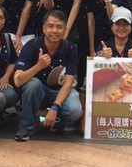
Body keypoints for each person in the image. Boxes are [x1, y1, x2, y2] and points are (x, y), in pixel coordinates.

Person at [13, 9, 82, 141]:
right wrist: (38, 66)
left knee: (75, 109)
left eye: (59, 27)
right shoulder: (32, 45)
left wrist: (55, 106)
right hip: (38, 92)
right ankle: (25, 126)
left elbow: (68, 82)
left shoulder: (70, 48)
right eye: (50, 26)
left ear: (65, 30)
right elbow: (17, 81)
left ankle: (56, 123)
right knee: (33, 84)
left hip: (59, 93)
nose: (54, 31)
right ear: (44, 29)